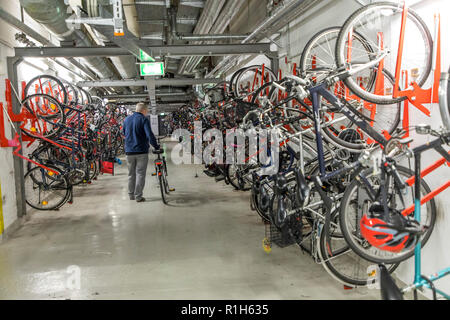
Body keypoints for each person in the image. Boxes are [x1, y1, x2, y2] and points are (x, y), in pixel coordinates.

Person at [122, 102, 160, 202]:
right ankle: (138, 196)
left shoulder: (126, 119)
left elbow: (124, 133)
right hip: (141, 152)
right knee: (140, 174)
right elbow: (149, 135)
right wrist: (156, 146)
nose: (146, 112)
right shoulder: (143, 119)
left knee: (131, 174)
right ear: (143, 110)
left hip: (129, 152)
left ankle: (131, 195)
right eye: (146, 111)